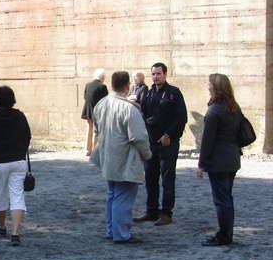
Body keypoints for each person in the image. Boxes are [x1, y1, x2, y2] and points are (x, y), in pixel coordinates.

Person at [90, 71, 152, 244]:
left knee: (113, 195)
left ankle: (112, 230)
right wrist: (147, 155)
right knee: (123, 197)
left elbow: (97, 130)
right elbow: (138, 137)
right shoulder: (129, 109)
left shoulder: (101, 104)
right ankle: (121, 233)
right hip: (125, 159)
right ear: (127, 86)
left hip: (108, 157)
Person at [134, 62, 188, 226]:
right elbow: (143, 115)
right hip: (151, 143)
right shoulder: (148, 94)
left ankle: (166, 213)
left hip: (168, 144)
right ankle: (151, 211)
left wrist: (169, 134)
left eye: (159, 74)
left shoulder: (174, 93)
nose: (156, 77)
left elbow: (181, 117)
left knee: (167, 179)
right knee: (150, 178)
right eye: (153, 74)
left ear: (165, 74)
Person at [197, 74, 243, 246]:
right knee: (227, 198)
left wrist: (201, 164)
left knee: (222, 200)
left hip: (219, 162)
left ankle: (224, 235)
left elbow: (207, 141)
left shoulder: (214, 111)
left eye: (209, 84)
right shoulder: (234, 107)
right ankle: (226, 233)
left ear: (216, 87)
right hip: (232, 158)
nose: (208, 86)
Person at [0, 86, 31, 246]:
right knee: (17, 196)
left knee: (0, 195)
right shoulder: (19, 116)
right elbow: (27, 136)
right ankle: (15, 232)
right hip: (17, 160)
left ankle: (2, 226)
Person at [81, 68, 108, 156]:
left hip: (88, 110)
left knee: (89, 129)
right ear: (102, 77)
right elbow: (105, 100)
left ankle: (87, 150)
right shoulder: (102, 86)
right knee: (96, 131)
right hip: (97, 111)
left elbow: (85, 97)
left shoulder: (88, 85)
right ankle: (94, 151)